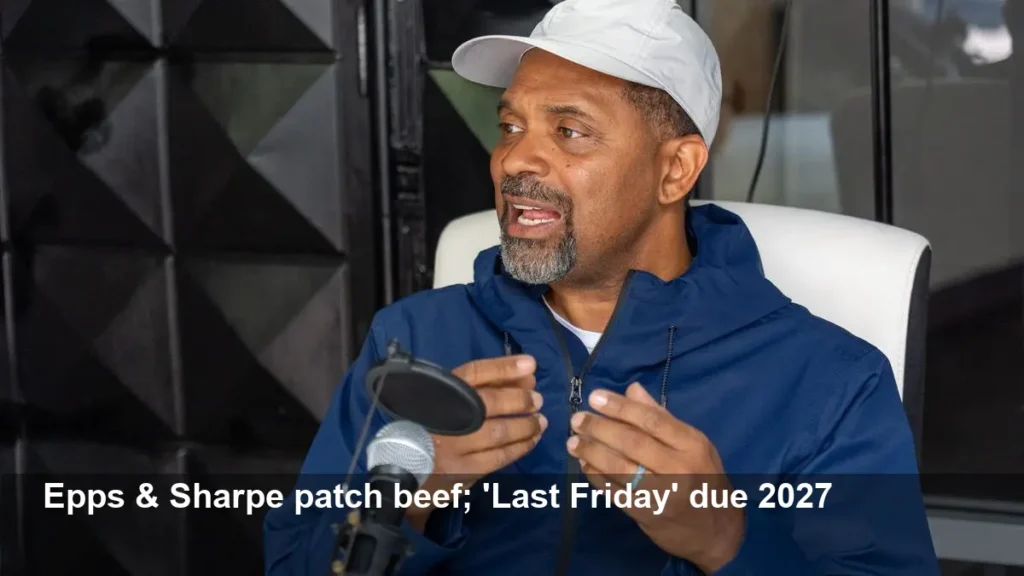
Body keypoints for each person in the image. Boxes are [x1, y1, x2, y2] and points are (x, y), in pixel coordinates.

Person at [265, 0, 939, 574]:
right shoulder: (415, 340)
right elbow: (292, 560)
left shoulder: (829, 380)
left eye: (570, 131)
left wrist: (727, 540)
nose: (515, 159)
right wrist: (407, 505)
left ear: (675, 171)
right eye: (510, 126)